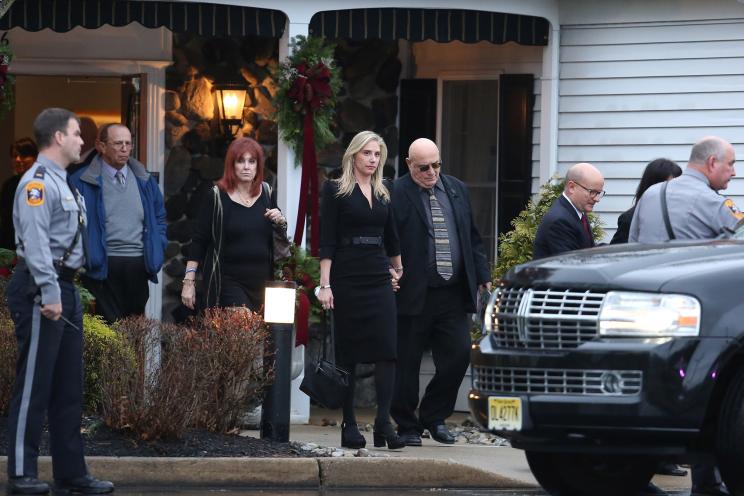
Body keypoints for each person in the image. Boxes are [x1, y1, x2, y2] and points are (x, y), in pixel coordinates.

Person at [5, 108, 114, 495]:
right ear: (57, 138)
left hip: (62, 287)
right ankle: (21, 473)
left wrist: (62, 292)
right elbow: (36, 245)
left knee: (69, 386)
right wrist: (51, 294)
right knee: (34, 384)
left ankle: (71, 473)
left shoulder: (62, 182)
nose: (82, 140)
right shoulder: (36, 184)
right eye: (76, 134)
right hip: (40, 288)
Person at [629, 136, 736, 496]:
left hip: (640, 316)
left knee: (643, 397)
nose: (733, 173)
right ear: (710, 164)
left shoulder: (649, 196)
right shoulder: (715, 204)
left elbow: (630, 250)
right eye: (730, 165)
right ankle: (705, 482)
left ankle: (635, 477)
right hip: (695, 319)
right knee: (709, 397)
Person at [390, 138, 491, 447]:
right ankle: (406, 424)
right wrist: (388, 269)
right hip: (413, 290)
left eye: (436, 165)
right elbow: (387, 238)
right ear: (409, 165)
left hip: (452, 291)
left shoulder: (456, 188)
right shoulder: (396, 193)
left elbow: (471, 236)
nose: (432, 172)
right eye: (424, 167)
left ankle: (434, 416)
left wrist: (483, 275)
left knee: (459, 354)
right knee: (406, 362)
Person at [316, 130, 405, 450]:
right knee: (349, 355)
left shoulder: (384, 191)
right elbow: (327, 240)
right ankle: (350, 423)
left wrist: (398, 270)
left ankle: (383, 423)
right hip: (347, 277)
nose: (372, 159)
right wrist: (324, 285)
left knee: (387, 351)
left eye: (377, 154)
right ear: (353, 155)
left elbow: (392, 237)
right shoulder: (336, 190)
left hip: (378, 276)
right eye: (367, 153)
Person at [70, 123, 167, 324]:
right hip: (102, 267)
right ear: (101, 146)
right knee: (107, 330)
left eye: (128, 143)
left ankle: (133, 358)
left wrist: (159, 244)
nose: (124, 149)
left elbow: (159, 217)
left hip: (138, 265)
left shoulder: (145, 179)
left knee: (135, 331)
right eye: (118, 143)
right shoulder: (81, 180)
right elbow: (71, 224)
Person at [181, 137, 287, 311]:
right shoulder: (216, 196)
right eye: (241, 161)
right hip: (228, 281)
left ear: (257, 166)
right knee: (244, 326)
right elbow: (199, 240)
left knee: (260, 335)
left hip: (263, 282)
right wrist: (188, 281)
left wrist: (280, 221)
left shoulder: (267, 192)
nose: (246, 166)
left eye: (251, 161)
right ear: (232, 165)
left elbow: (277, 239)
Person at [533, 162, 605, 259]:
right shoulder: (559, 221)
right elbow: (572, 265)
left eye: (599, 193)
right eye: (592, 192)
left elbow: (586, 248)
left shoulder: (576, 211)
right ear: (572, 187)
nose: (597, 199)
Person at [611, 158, 683, 244]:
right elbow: (619, 253)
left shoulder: (683, 214)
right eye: (669, 186)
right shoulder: (629, 218)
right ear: (653, 185)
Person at [1, 138, 38, 249]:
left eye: (23, 156)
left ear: (35, 158)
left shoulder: (41, 184)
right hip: (10, 247)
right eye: (14, 156)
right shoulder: (9, 185)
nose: (18, 160)